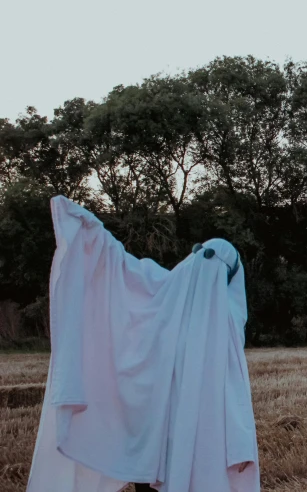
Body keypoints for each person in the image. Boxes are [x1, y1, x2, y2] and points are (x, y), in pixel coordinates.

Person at [27, 196, 260, 492]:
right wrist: (92, 233)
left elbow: (126, 276)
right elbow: (232, 387)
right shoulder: (204, 310)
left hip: (155, 431)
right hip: (173, 434)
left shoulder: (177, 302)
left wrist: (94, 237)